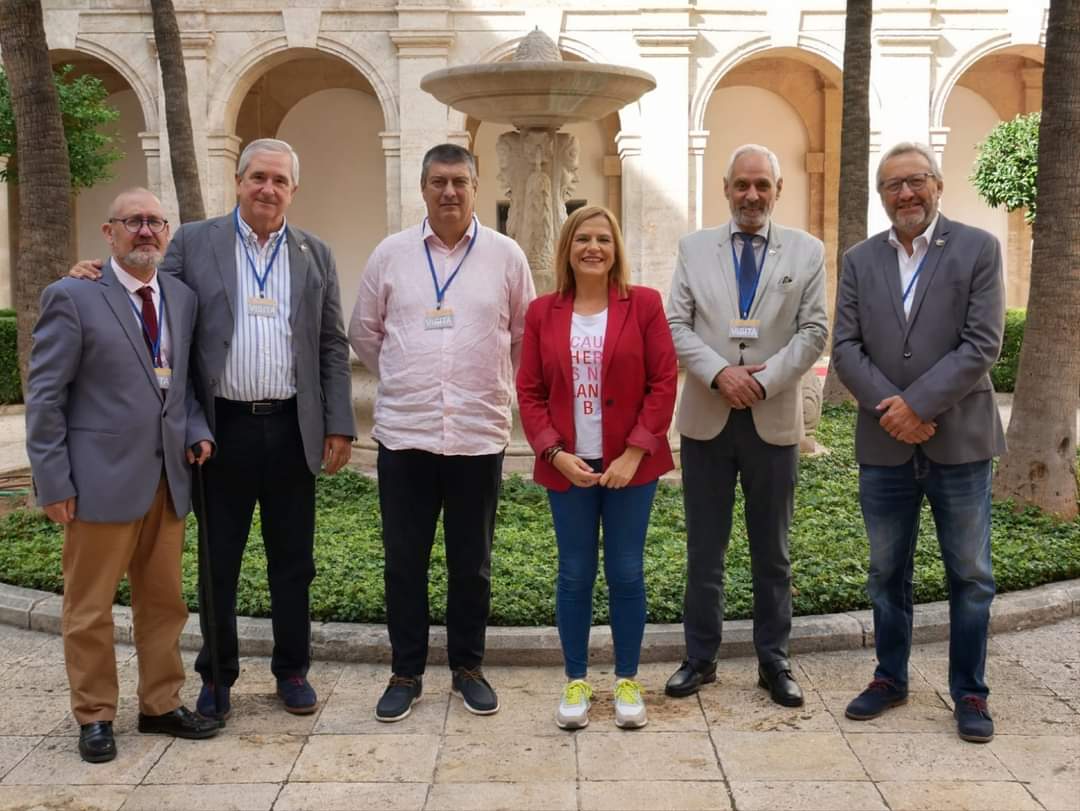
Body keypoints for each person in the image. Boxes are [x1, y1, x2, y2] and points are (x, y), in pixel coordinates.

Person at [69, 138, 356, 721]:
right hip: (219, 431)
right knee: (217, 562)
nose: (268, 189)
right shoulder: (195, 242)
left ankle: (292, 670)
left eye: (279, 180)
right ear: (239, 181)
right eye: (258, 177)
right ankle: (217, 676)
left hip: (293, 428)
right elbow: (147, 294)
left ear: (293, 190)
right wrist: (94, 274)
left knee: (293, 562)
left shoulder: (315, 253)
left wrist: (340, 424)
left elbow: (331, 343)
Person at [26, 188, 220, 763]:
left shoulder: (180, 298)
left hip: (167, 480)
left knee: (165, 604)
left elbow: (180, 385)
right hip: (97, 484)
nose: (146, 231)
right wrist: (53, 482)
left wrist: (196, 430)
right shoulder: (73, 295)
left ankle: (161, 704)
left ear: (167, 233)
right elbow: (46, 397)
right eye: (133, 221)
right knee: (90, 608)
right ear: (109, 232)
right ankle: (95, 715)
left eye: (155, 221)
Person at [349, 143, 534, 722]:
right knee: (404, 562)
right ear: (423, 188)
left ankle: (468, 668)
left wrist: (491, 386)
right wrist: (407, 376)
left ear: (476, 187)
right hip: (405, 434)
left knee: (471, 564)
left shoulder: (506, 256)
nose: (449, 191)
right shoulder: (391, 254)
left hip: (477, 435)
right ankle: (405, 673)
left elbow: (524, 335)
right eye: (438, 182)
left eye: (459, 181)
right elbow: (364, 332)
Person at [832, 142, 1004, 743]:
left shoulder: (978, 248)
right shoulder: (859, 260)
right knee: (886, 573)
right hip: (885, 447)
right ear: (881, 196)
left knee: (971, 574)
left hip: (960, 443)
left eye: (915, 181)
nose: (905, 193)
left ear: (937, 184)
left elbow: (982, 343)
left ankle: (970, 692)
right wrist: (894, 411)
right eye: (892, 185)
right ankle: (890, 678)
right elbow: (845, 347)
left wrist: (918, 406)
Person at [665, 144, 828, 707]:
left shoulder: (807, 251)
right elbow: (676, 324)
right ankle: (699, 658)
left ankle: (774, 661)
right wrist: (719, 374)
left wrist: (763, 381)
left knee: (773, 553)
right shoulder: (693, 248)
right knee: (704, 550)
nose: (751, 195)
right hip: (707, 420)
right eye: (742, 184)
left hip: (772, 418)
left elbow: (814, 330)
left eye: (762, 185)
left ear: (778, 190)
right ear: (726, 188)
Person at [516, 205, 677, 729]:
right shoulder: (542, 312)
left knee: (626, 572)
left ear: (616, 249)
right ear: (567, 248)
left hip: (630, 467)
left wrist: (635, 452)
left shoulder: (644, 304)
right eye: (582, 238)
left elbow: (663, 381)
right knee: (574, 574)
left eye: (603, 239)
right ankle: (576, 681)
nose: (593, 248)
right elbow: (530, 391)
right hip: (569, 468)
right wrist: (553, 452)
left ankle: (627, 680)